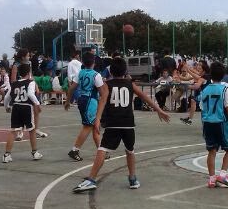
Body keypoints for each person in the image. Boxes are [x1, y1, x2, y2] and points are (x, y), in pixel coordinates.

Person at [73, 58, 170, 192]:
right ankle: (132, 179)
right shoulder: (130, 84)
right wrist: (159, 110)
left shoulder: (107, 84)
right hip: (128, 123)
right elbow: (144, 96)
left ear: (111, 72)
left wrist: (98, 118)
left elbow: (102, 100)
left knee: (102, 149)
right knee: (130, 150)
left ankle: (91, 179)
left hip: (113, 123)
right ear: (125, 71)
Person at [200, 62, 228, 188]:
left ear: (210, 74)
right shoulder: (225, 90)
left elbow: (202, 108)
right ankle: (222, 175)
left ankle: (212, 179)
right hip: (221, 123)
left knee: (211, 151)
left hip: (207, 123)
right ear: (223, 75)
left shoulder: (205, 90)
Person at [65, 52, 107, 161]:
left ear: (83, 62)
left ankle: (101, 150)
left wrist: (67, 101)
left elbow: (71, 88)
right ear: (94, 62)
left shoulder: (80, 73)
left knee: (94, 126)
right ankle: (75, 150)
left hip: (82, 99)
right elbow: (102, 93)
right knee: (88, 126)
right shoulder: (96, 75)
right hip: (90, 102)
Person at [1, 62, 42, 162]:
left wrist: (6, 107)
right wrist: (37, 104)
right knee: (32, 130)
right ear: (29, 73)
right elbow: (30, 94)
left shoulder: (14, 84)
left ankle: (6, 155)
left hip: (16, 107)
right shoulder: (31, 82)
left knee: (13, 131)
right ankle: (34, 153)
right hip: (26, 107)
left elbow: (6, 97)